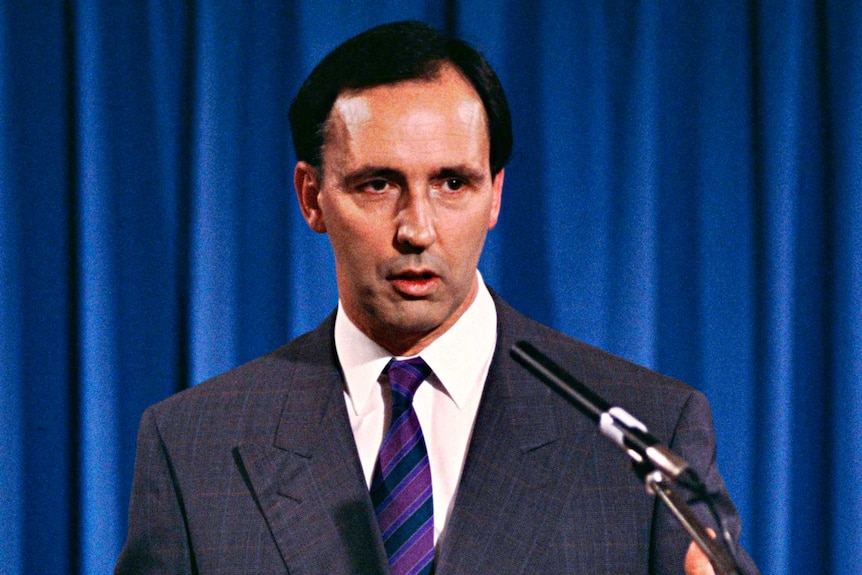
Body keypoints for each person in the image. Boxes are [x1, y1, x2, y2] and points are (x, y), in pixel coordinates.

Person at [115, 20, 759, 575]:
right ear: (312, 197)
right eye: (376, 185)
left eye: (452, 182)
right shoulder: (195, 445)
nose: (417, 229)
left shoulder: (641, 434)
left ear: (495, 194)